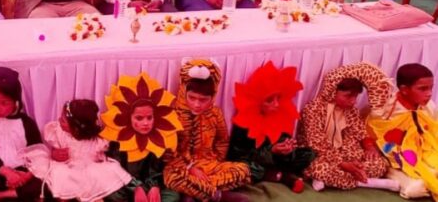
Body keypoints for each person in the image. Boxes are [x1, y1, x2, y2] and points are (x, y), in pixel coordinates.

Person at [299, 62, 398, 192]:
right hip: (320, 154)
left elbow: (361, 133)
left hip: (346, 152)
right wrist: (343, 164)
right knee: (320, 168)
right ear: (332, 91)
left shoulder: (351, 110)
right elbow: (316, 144)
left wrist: (369, 148)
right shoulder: (313, 109)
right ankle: (366, 182)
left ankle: (339, 178)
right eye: (348, 96)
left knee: (379, 165)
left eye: (355, 96)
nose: (353, 101)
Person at [163, 59, 251, 201]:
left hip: (210, 165)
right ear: (184, 92)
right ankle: (218, 195)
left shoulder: (215, 114)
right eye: (192, 98)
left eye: (203, 100)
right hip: (183, 168)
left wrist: (215, 161)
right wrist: (190, 168)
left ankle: (194, 191)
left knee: (243, 170)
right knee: (171, 177)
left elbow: (222, 141)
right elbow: (169, 154)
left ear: (212, 97)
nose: (197, 104)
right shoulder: (173, 114)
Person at [228, 62, 315, 193]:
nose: (276, 104)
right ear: (258, 101)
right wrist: (271, 151)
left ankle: (277, 173)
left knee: (308, 154)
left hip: (274, 159)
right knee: (247, 169)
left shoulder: (281, 113)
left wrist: (287, 149)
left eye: (278, 98)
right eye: (270, 100)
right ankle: (280, 176)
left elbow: (283, 141)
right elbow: (238, 156)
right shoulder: (243, 120)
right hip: (256, 161)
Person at [22, 99, 132, 200]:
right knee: (60, 174)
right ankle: (62, 198)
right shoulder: (59, 132)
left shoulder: (96, 141)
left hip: (89, 169)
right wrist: (55, 154)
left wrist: (99, 159)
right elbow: (54, 150)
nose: (59, 120)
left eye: (63, 120)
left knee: (100, 177)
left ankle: (95, 198)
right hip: (67, 167)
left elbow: (101, 156)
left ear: (76, 128)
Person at [102, 73, 183, 202]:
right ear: (129, 117)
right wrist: (135, 188)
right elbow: (116, 170)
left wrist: (154, 186)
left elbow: (157, 168)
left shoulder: (160, 135)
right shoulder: (119, 138)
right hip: (126, 185)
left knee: (173, 196)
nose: (145, 123)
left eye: (149, 118)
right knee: (113, 195)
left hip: (148, 183)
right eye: (139, 118)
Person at [0, 67, 45, 202]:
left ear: (15, 101)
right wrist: (6, 172)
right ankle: (16, 193)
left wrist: (26, 176)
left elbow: (38, 154)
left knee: (42, 182)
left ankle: (0, 195)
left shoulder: (27, 123)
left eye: (4, 103)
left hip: (22, 172)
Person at [368, 63, 438, 199]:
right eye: (423, 89)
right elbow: (373, 132)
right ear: (404, 89)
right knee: (415, 189)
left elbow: (433, 132)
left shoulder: (429, 106)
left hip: (423, 153)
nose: (429, 93)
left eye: (431, 88)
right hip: (395, 159)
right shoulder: (386, 109)